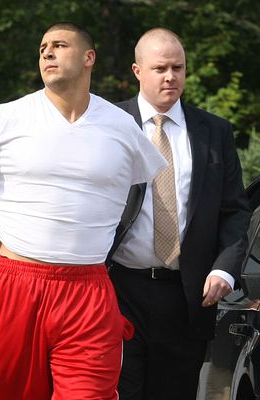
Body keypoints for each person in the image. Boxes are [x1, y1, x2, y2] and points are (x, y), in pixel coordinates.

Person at [0, 22, 166, 400]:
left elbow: (140, 199)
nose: (47, 53)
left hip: (88, 290)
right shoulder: (5, 117)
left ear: (89, 58)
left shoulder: (122, 126)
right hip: (16, 285)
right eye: (42, 48)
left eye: (59, 45)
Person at [108, 27, 252, 400]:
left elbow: (235, 210)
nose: (170, 77)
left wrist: (224, 269)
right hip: (119, 288)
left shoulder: (214, 132)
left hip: (188, 297)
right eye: (160, 68)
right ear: (138, 71)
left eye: (178, 67)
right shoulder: (107, 124)